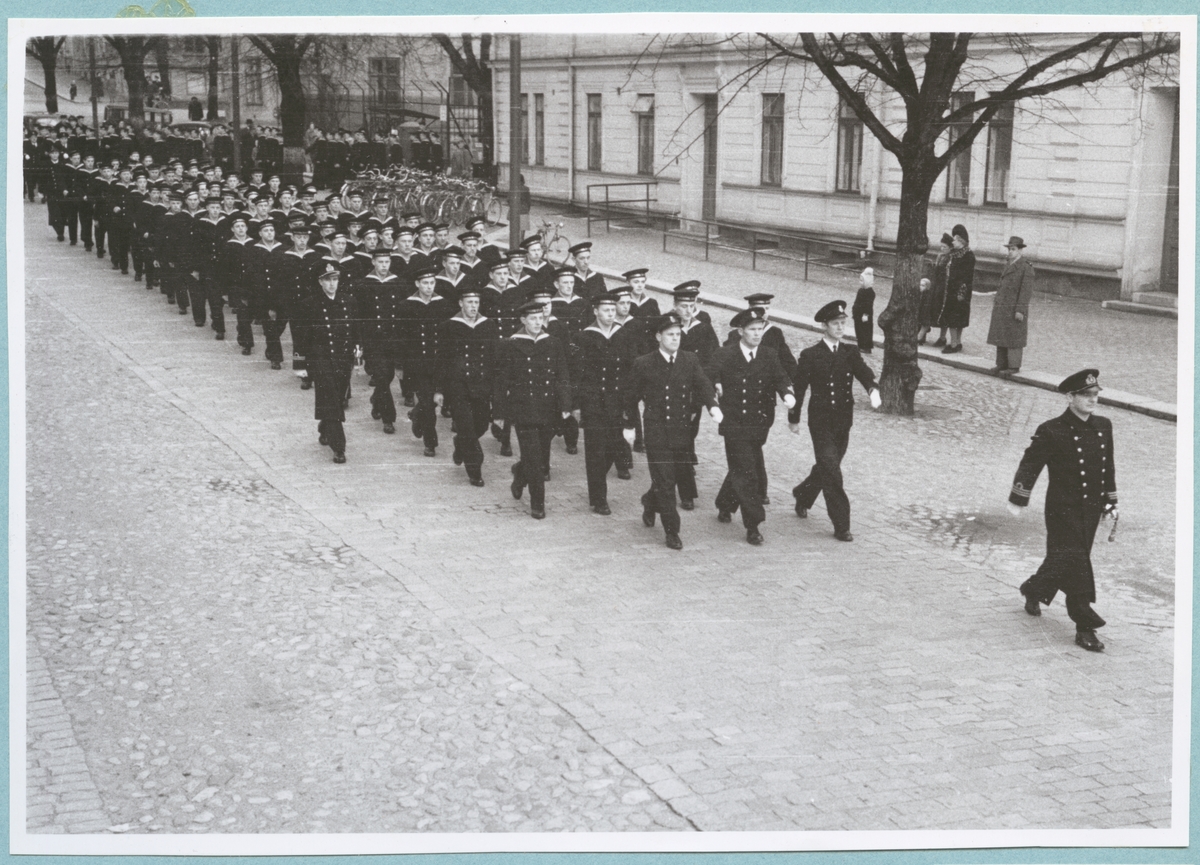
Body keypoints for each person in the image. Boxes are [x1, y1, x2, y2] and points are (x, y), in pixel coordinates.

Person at [1009, 369, 1117, 652]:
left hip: (1090, 508)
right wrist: (1019, 497)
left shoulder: (1104, 426)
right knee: (1077, 561)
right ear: (1070, 397)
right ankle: (1085, 625)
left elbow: (1107, 467)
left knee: (1064, 559)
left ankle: (1033, 588)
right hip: (1062, 509)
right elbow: (1030, 463)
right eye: (1086, 395)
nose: (1093, 400)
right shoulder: (1052, 429)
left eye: (1096, 395)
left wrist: (1110, 500)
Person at [622, 313, 720, 550]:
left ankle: (649, 501)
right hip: (656, 430)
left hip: (681, 430)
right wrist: (629, 425)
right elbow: (630, 397)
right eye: (670, 334)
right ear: (659, 337)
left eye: (678, 334)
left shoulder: (689, 359)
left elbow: (703, 384)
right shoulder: (644, 363)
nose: (675, 338)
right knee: (666, 482)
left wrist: (713, 405)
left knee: (670, 477)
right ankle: (672, 531)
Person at [787, 300, 881, 542]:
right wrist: (793, 418)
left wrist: (872, 389)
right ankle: (842, 525)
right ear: (824, 326)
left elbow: (863, 372)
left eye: (843, 323)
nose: (840, 328)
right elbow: (799, 388)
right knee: (832, 472)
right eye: (835, 324)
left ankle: (803, 494)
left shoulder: (849, 352)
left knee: (827, 468)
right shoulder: (810, 355)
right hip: (819, 422)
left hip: (843, 421)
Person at [707, 307, 796, 545]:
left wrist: (786, 393)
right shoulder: (725, 354)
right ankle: (753, 524)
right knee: (748, 471)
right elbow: (707, 376)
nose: (757, 334)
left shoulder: (768, 354)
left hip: (759, 423)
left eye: (760, 329)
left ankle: (725, 504)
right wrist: (715, 386)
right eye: (753, 330)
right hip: (734, 423)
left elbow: (780, 377)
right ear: (740, 331)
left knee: (742, 466)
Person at [493, 300, 573, 519]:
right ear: (523, 320)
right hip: (523, 409)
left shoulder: (553, 343)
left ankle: (520, 474)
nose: (538, 322)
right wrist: (499, 413)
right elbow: (501, 381)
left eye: (541, 318)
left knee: (538, 457)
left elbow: (562, 374)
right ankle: (538, 504)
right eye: (533, 319)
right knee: (534, 458)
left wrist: (566, 404)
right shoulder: (510, 344)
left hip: (548, 409)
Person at [571, 291, 636, 515]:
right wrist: (577, 404)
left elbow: (630, 368)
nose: (610, 314)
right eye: (606, 310)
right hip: (594, 403)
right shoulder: (584, 337)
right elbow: (578, 373)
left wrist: (630, 399)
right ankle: (599, 498)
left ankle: (598, 487)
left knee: (614, 446)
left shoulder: (623, 335)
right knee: (595, 451)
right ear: (595, 311)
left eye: (612, 310)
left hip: (617, 401)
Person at [435, 286, 499, 487]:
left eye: (476, 302)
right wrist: (439, 389)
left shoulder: (488, 325)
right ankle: (475, 470)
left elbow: (493, 357)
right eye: (469, 302)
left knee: (481, 425)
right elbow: (442, 360)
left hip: (481, 384)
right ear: (460, 303)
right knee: (467, 427)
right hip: (458, 385)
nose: (473, 306)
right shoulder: (448, 326)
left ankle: (460, 444)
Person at [298, 265, 360, 464]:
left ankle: (325, 425)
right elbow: (301, 336)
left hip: (343, 358)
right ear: (320, 282)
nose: (332, 284)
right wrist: (300, 364)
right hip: (320, 358)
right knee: (331, 398)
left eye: (335, 279)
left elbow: (356, 327)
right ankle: (339, 447)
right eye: (327, 280)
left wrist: (359, 348)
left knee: (337, 397)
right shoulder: (310, 304)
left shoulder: (348, 301)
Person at [397, 266, 453, 457]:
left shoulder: (443, 304)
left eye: (432, 283)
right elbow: (401, 338)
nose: (429, 287)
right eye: (425, 283)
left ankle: (416, 414)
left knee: (433, 401)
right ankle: (431, 443)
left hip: (440, 361)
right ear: (417, 284)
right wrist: (400, 364)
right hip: (418, 362)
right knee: (429, 403)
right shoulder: (406, 305)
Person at [987, 236, 1035, 376]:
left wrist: (1020, 310)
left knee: (1014, 337)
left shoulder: (1026, 267)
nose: (1010, 252)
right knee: (1001, 334)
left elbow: (1025, 292)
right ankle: (1001, 363)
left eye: (1013, 249)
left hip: (1014, 308)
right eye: (1009, 249)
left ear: (1020, 250)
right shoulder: (1008, 264)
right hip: (1002, 307)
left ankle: (1013, 366)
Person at [939, 224, 975, 355]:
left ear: (961, 241)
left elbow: (966, 276)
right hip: (952, 290)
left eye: (955, 239)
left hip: (960, 291)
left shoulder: (968, 256)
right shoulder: (955, 254)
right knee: (954, 318)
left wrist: (961, 292)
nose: (952, 242)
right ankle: (956, 342)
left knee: (956, 319)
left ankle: (954, 343)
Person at [924, 232, 954, 347]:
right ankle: (925, 332)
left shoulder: (951, 258)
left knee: (943, 312)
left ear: (950, 248)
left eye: (945, 247)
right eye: (941, 246)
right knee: (932, 309)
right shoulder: (940, 256)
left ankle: (942, 337)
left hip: (944, 288)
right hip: (936, 286)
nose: (942, 249)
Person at [852, 267, 876, 354]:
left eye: (862, 281)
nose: (860, 282)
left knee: (865, 330)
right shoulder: (861, 290)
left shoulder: (870, 292)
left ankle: (866, 347)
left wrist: (865, 315)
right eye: (860, 280)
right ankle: (860, 345)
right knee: (859, 330)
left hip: (864, 316)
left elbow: (868, 306)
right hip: (858, 314)